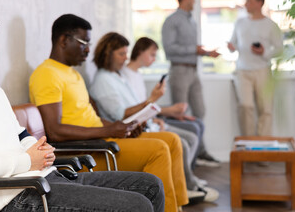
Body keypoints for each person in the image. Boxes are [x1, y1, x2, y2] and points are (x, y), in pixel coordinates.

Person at [0, 11, 165, 212]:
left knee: (150, 185)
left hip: (46, 178)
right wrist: (27, 161)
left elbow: (20, 136)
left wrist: (39, 151)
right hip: (19, 198)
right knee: (138, 205)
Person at [29, 14, 187, 211]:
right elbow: (55, 131)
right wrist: (110, 130)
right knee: (158, 150)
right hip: (88, 151)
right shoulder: (46, 74)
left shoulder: (72, 73)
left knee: (171, 140)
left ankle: (176, 206)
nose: (87, 49)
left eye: (89, 42)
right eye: (83, 42)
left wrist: (121, 128)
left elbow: (90, 119)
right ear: (63, 40)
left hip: (101, 140)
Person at [89, 32, 219, 203]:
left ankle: (184, 190)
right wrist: (152, 100)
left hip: (138, 126)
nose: (125, 58)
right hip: (126, 133)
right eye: (121, 54)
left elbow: (133, 106)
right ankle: (185, 191)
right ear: (107, 53)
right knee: (178, 143)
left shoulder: (116, 76)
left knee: (181, 139)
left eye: (126, 53)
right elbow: (120, 114)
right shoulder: (103, 80)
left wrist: (152, 114)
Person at [162, 0, 221, 167]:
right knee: (181, 113)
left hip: (193, 70)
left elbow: (191, 49)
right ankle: (186, 159)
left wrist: (204, 53)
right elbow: (169, 49)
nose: (195, 0)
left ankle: (199, 152)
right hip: (179, 70)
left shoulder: (191, 21)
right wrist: (193, 50)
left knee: (200, 111)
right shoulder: (172, 21)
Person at [228, 0, 283, 136]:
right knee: (246, 107)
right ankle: (248, 148)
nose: (246, 4)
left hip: (263, 70)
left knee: (266, 110)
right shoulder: (240, 23)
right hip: (242, 71)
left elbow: (279, 49)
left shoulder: (271, 25)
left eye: (249, 1)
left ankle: (263, 149)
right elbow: (233, 44)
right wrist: (232, 47)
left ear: (259, 3)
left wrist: (264, 52)